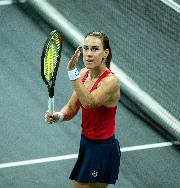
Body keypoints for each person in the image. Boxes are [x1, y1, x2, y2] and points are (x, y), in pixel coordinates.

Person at [44, 31, 121, 188]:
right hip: (86, 144)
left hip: (102, 149)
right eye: (86, 48)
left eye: (94, 49)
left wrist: (73, 73)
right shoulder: (85, 74)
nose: (88, 54)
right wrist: (58, 116)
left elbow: (88, 102)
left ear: (105, 53)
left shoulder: (110, 82)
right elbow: (72, 107)